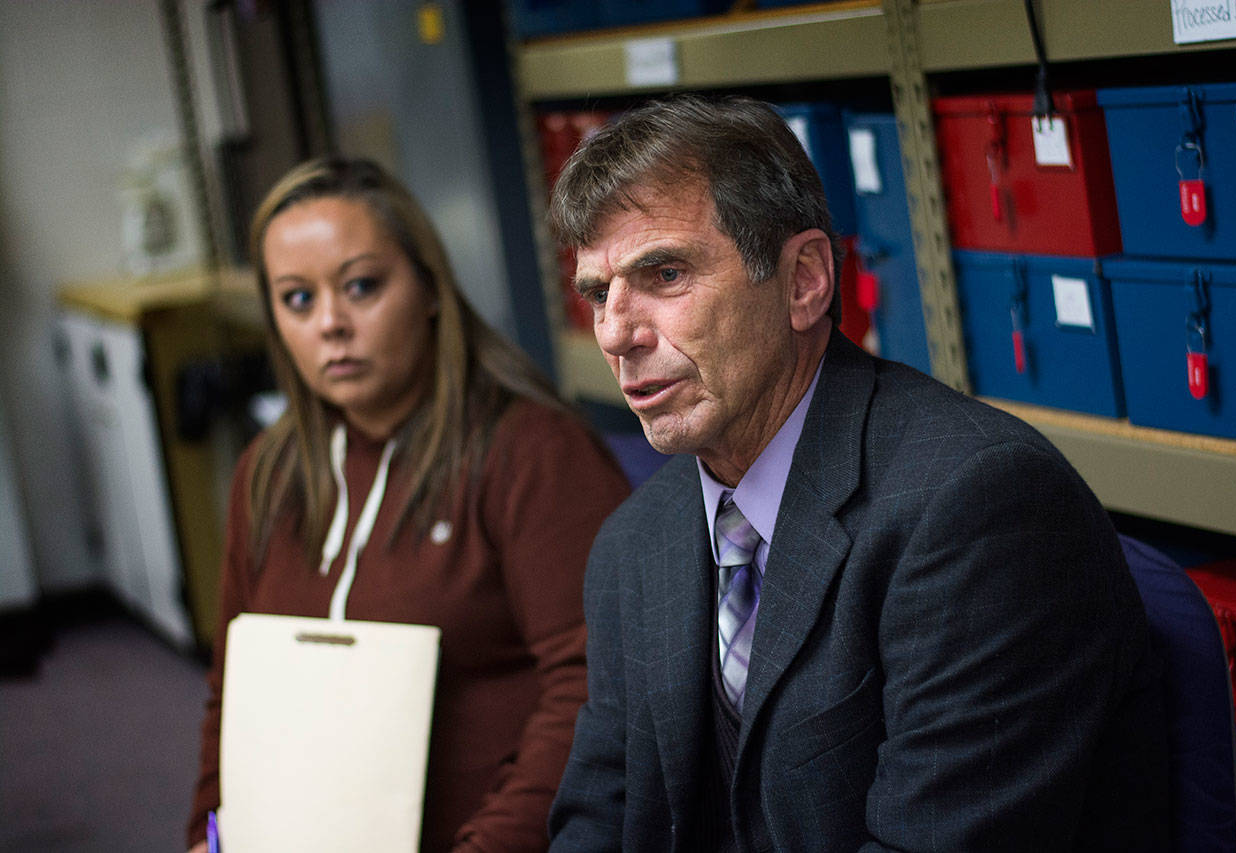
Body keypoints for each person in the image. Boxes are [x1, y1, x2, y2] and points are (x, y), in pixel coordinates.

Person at [545, 94, 1170, 851]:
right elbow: (598, 821)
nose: (616, 333)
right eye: (597, 293)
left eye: (666, 273)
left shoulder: (978, 505)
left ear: (804, 280)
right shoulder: (633, 544)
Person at [185, 157, 631, 852]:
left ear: (427, 288)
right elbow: (233, 692)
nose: (330, 323)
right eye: (297, 299)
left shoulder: (535, 454)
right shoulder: (268, 472)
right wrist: (209, 834)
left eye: (361, 286)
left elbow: (597, 691)